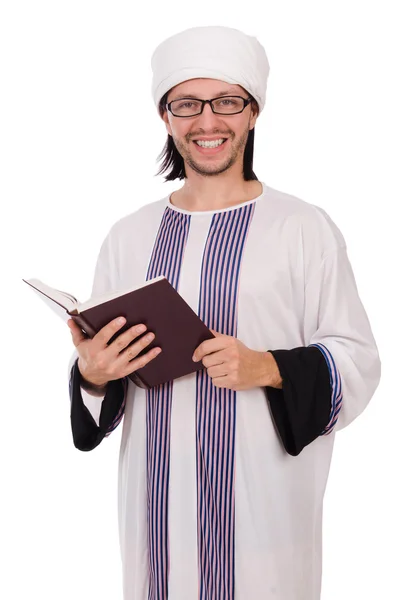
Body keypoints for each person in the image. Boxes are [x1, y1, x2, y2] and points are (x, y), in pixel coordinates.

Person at [67, 25, 381, 600]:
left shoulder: (302, 227)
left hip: (264, 519)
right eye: (186, 104)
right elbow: (100, 382)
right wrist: (93, 372)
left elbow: (357, 358)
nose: (206, 122)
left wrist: (265, 366)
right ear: (166, 117)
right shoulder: (128, 236)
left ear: (253, 112)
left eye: (226, 102)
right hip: (153, 513)